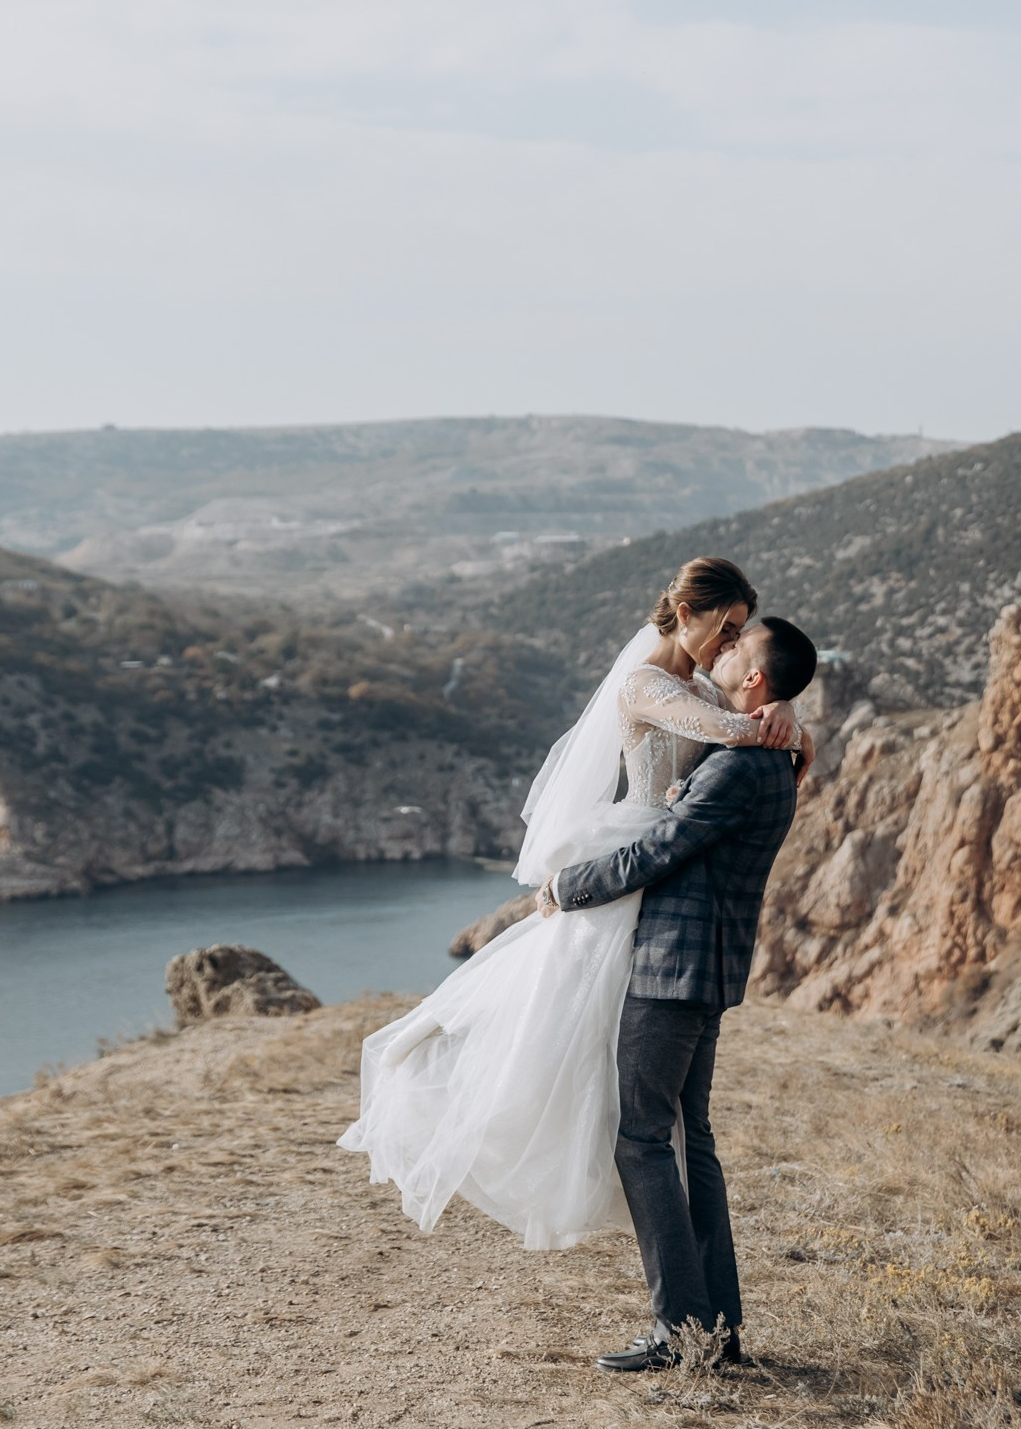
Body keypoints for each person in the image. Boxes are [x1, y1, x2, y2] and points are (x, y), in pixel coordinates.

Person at [338, 558, 811, 1252]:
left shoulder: (702, 680)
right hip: (639, 854)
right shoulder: (645, 683)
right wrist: (784, 718)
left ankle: (675, 1274)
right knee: (567, 1032)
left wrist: (782, 702)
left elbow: (750, 700)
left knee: (639, 1085)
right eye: (727, 626)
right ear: (687, 615)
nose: (730, 641)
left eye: (740, 633)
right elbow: (740, 730)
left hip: (668, 866)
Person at [537, 613, 817, 1372]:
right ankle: (716, 1333)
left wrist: (569, 886)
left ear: (756, 678)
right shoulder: (770, 755)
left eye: (738, 648)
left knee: (642, 1141)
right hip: (710, 968)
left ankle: (679, 1332)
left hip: (672, 971)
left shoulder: (736, 765)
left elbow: (661, 850)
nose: (723, 652)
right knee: (691, 1145)